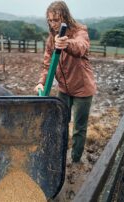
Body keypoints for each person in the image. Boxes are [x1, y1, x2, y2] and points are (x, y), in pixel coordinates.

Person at [34, 1, 97, 163]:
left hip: (83, 89)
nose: (53, 24)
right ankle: (60, 154)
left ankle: (76, 159)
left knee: (79, 127)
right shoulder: (50, 39)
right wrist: (41, 81)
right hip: (64, 89)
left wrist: (66, 43)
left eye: (57, 20)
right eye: (50, 20)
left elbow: (81, 47)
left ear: (65, 17)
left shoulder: (79, 31)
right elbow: (47, 64)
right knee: (61, 121)